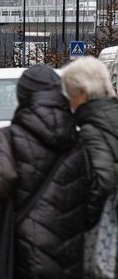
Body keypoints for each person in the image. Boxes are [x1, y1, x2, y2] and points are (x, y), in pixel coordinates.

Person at [0, 65, 95, 279]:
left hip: (22, 256)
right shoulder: (79, 142)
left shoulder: (8, 138)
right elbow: (92, 202)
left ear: (23, 96)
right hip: (70, 262)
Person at [62, 57, 118, 223]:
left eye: (70, 95)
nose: (70, 104)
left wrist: (83, 219)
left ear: (82, 93)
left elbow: (103, 182)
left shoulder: (91, 130)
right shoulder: (111, 115)